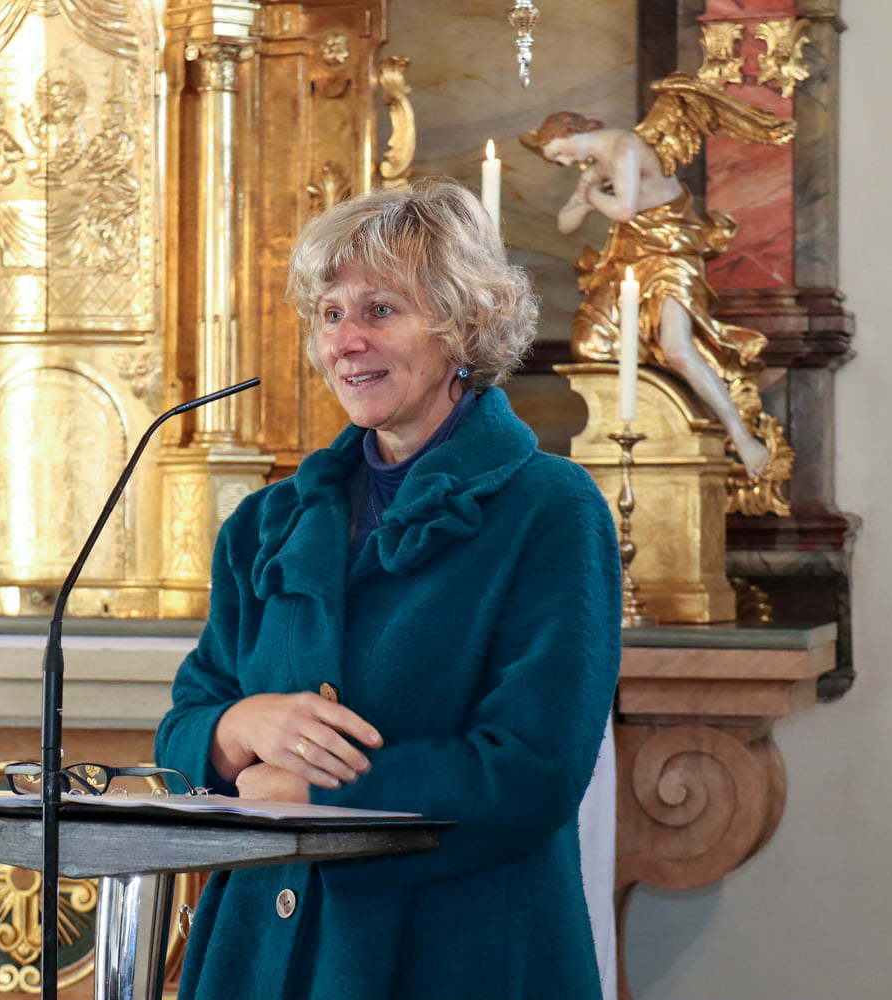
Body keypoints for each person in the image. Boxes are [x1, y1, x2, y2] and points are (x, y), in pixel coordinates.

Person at [155, 179, 621, 999]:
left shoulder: (550, 508)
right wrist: (236, 726)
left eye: (380, 310)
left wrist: (318, 793)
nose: (346, 341)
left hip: (456, 955)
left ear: (463, 323)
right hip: (260, 959)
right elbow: (184, 725)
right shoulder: (267, 522)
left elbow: (534, 771)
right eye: (330, 314)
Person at [525, 109, 774, 479]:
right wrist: (586, 195)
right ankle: (635, 420)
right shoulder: (596, 168)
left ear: (569, 133)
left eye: (560, 153)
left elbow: (624, 210)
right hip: (628, 256)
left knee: (677, 349)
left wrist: (592, 195)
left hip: (669, 252)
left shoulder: (624, 148)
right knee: (591, 344)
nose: (564, 163)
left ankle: (741, 436)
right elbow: (565, 224)